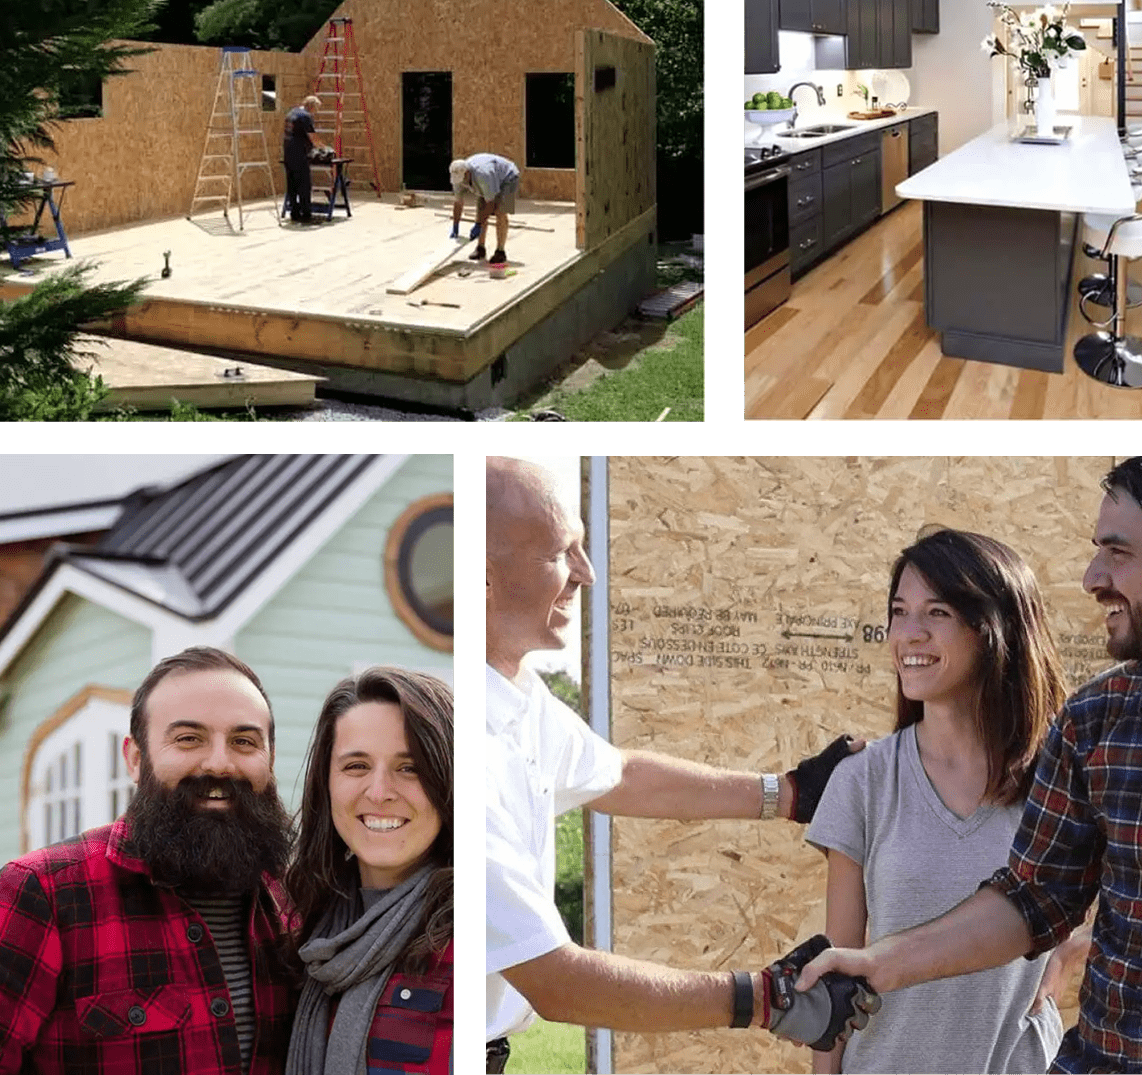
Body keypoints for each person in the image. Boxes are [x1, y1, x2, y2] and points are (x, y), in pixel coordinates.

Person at [794, 456, 1142, 1075]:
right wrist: (882, 961)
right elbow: (1034, 899)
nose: (1093, 576)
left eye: (1119, 552)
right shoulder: (1095, 722)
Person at [485, 456, 868, 1073]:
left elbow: (622, 776)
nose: (586, 572)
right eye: (561, 552)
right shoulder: (461, 740)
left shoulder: (518, 697)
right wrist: (764, 1000)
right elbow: (555, 981)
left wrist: (790, 794)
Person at [0, 645, 298, 1073]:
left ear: (271, 760)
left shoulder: (291, 903)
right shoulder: (42, 894)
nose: (220, 763)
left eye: (244, 741)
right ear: (135, 759)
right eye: (189, 739)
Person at [806, 529, 1079, 1074]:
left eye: (936, 613)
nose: (909, 634)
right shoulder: (863, 780)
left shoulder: (1062, 778)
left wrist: (1073, 952)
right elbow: (837, 978)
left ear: (992, 631)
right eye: (899, 611)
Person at [283, 667, 453, 1075]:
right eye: (356, 766)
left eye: (409, 768)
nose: (379, 792)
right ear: (325, 785)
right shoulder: (305, 930)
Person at [449, 154, 519, 265]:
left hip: (507, 177)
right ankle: (480, 249)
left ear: (467, 173)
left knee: (500, 212)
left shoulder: (483, 175)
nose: (461, 182)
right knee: (480, 211)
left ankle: (500, 251)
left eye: (463, 179)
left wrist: (478, 224)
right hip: (489, 180)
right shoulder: (457, 177)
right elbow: (458, 202)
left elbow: (490, 204)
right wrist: (455, 225)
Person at [284, 95, 325, 224]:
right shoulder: (305, 117)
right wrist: (324, 148)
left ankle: (294, 213)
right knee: (304, 185)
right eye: (315, 110)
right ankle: (306, 214)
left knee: (292, 185)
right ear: (311, 106)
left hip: (287, 152)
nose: (314, 113)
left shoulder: (291, 113)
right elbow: (313, 137)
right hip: (299, 154)